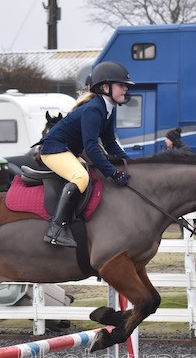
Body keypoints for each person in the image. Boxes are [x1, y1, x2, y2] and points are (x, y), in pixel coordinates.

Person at [38, 61, 133, 247]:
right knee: (81, 177)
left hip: (67, 151)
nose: (125, 89)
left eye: (126, 86)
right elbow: (91, 148)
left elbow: (110, 143)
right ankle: (55, 229)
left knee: (94, 175)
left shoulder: (108, 109)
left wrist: (131, 163)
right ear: (106, 87)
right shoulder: (94, 109)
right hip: (53, 150)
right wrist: (113, 173)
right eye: (121, 85)